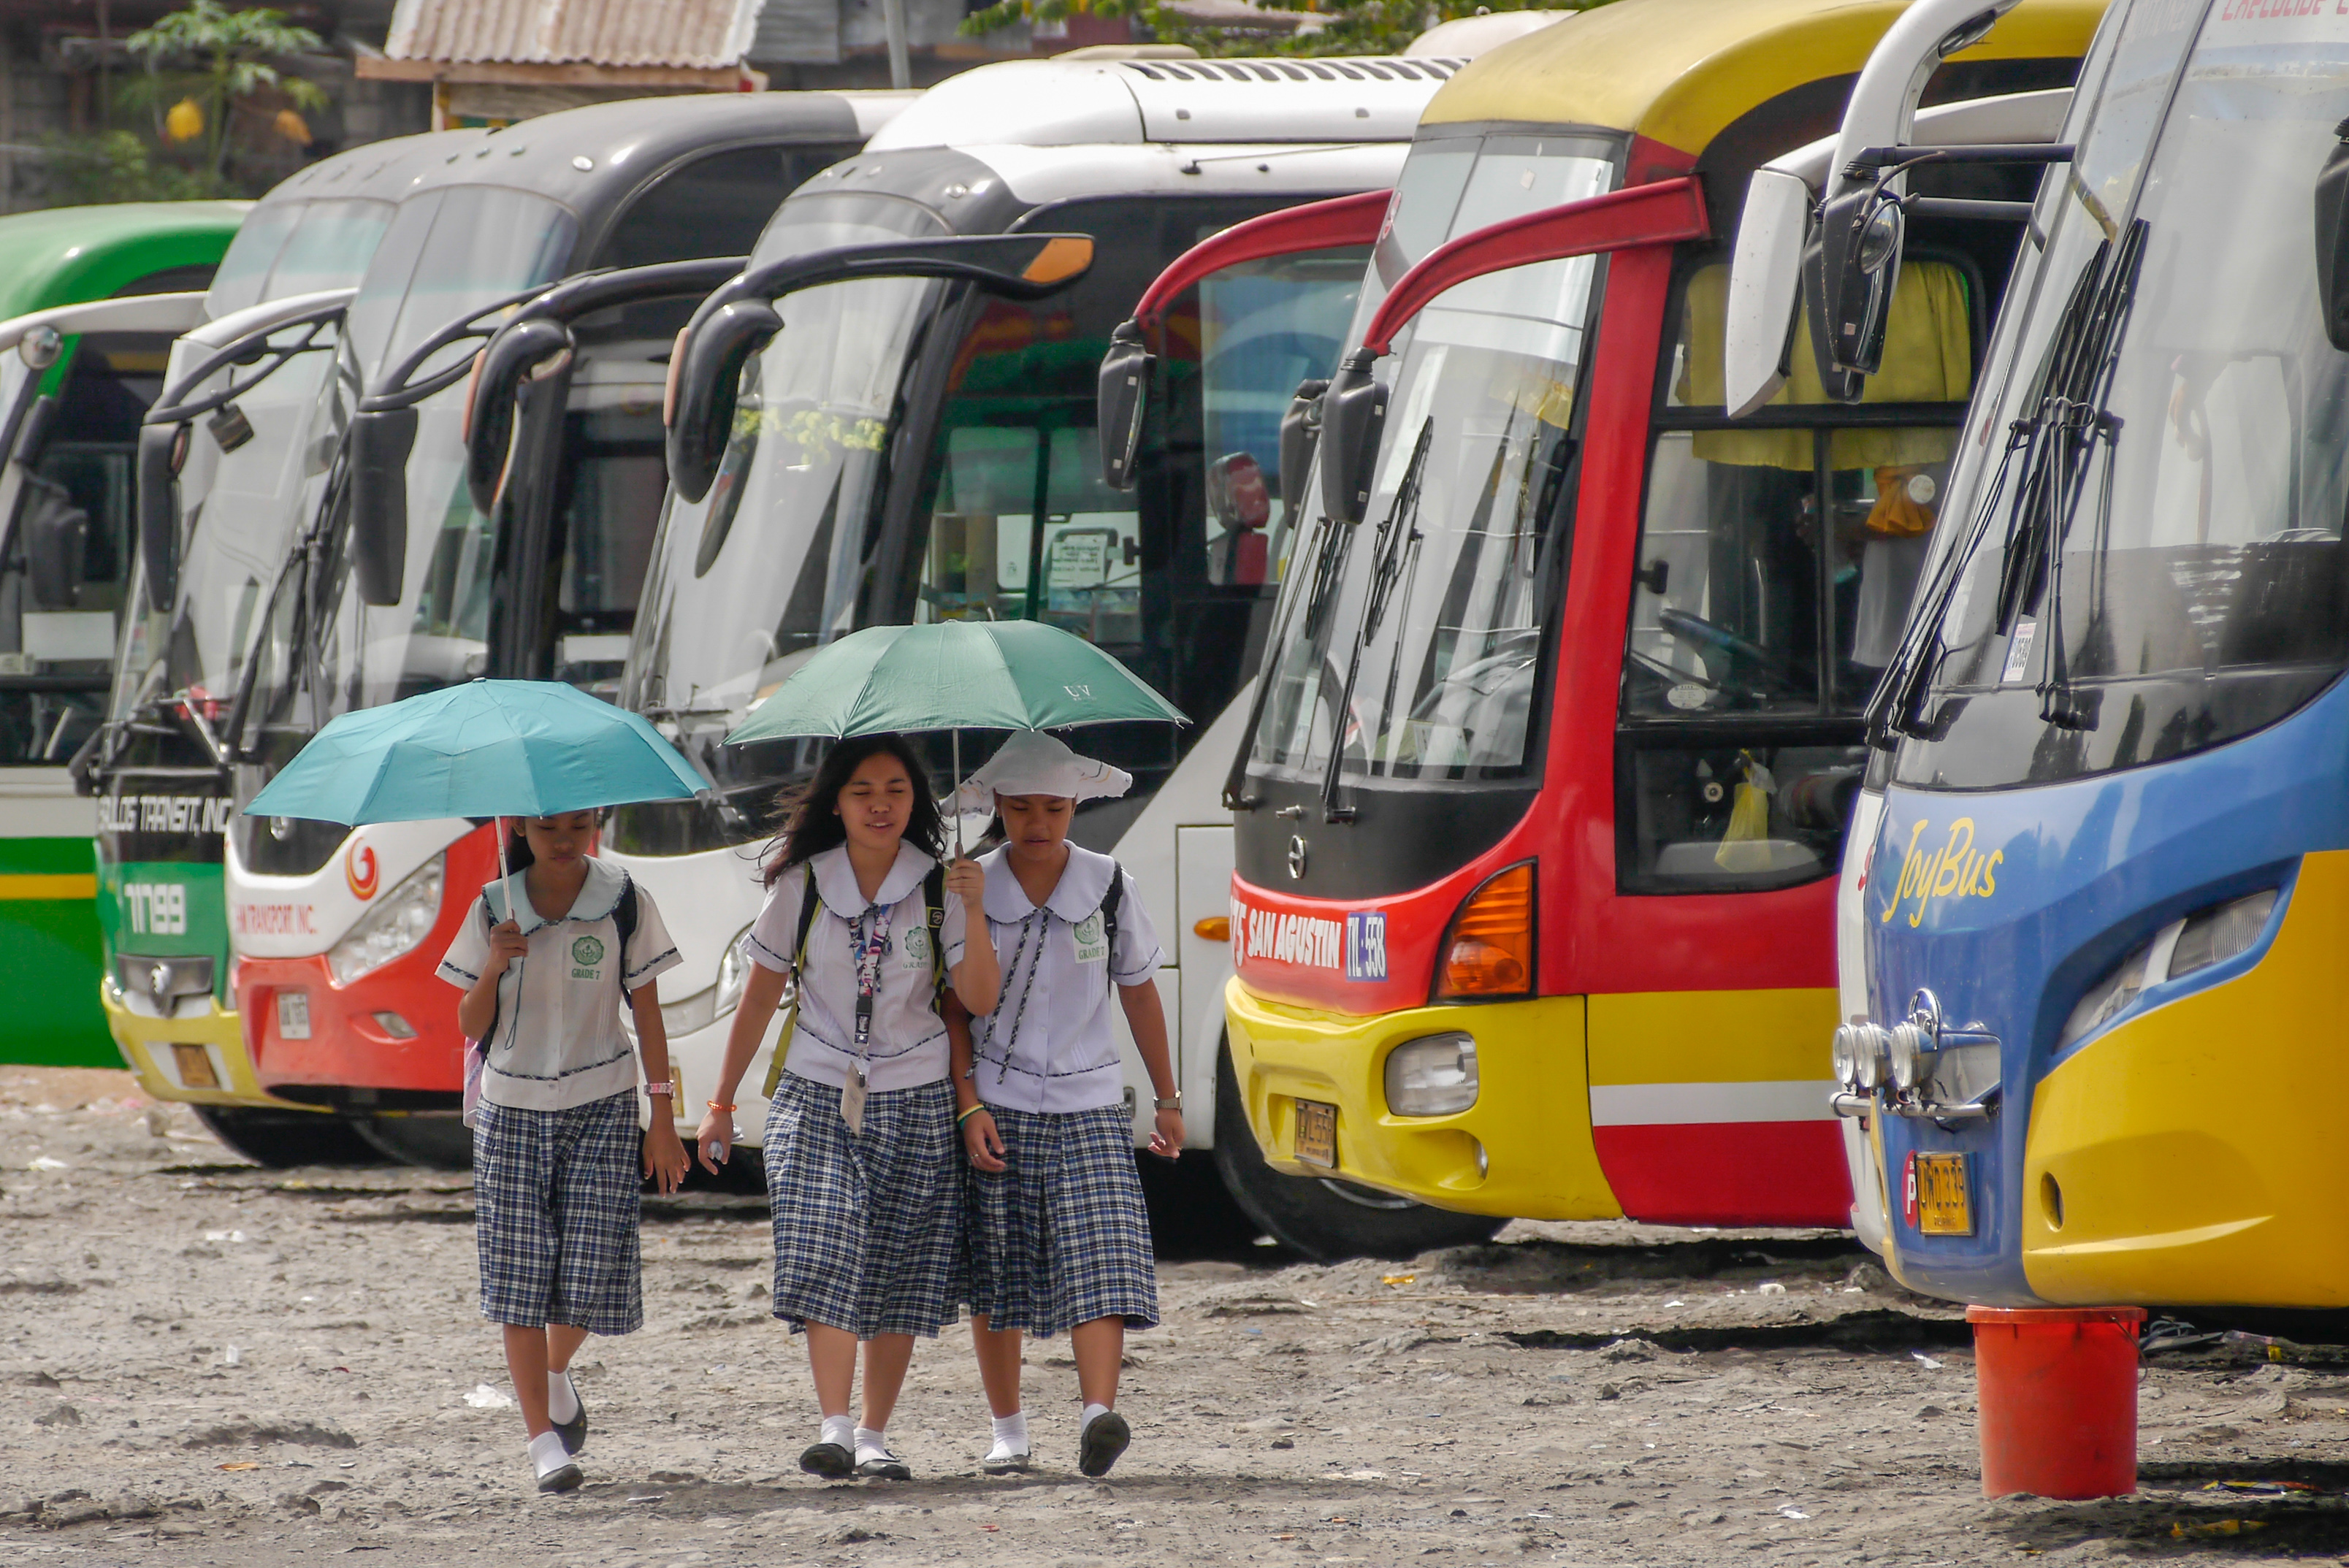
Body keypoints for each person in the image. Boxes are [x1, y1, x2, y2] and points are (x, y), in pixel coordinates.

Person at [694, 734, 1001, 1482]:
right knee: (823, 1239)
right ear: (836, 801)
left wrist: (975, 906)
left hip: (919, 1096)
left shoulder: (940, 885)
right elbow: (759, 996)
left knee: (901, 1269)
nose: (880, 804)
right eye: (863, 790)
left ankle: (872, 1433)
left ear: (916, 801)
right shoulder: (801, 883)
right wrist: (720, 1102)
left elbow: (980, 998)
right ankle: (833, 1425)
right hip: (817, 1090)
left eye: (896, 789)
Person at [947, 730, 1180, 1479]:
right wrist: (969, 1105)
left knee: (1102, 1253)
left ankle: (1096, 1413)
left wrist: (1168, 1097)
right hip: (999, 1100)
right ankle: (1008, 1431)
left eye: (1053, 806)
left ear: (1076, 804)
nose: (1038, 822)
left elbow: (1139, 992)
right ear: (997, 806)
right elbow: (957, 1010)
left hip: (1091, 1097)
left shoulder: (1109, 884)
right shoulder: (970, 883)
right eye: (1020, 808)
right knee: (997, 1270)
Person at [438, 808, 689, 1494]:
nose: (565, 840)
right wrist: (495, 963)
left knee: (592, 1270)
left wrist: (663, 1117)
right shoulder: (493, 906)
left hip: (603, 1101)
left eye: (579, 825)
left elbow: (648, 1011)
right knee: (519, 1282)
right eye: (549, 828)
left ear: (596, 823)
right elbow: (468, 1021)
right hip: (511, 1108)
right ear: (520, 827)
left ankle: (551, 1371)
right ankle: (542, 1441)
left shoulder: (625, 898)